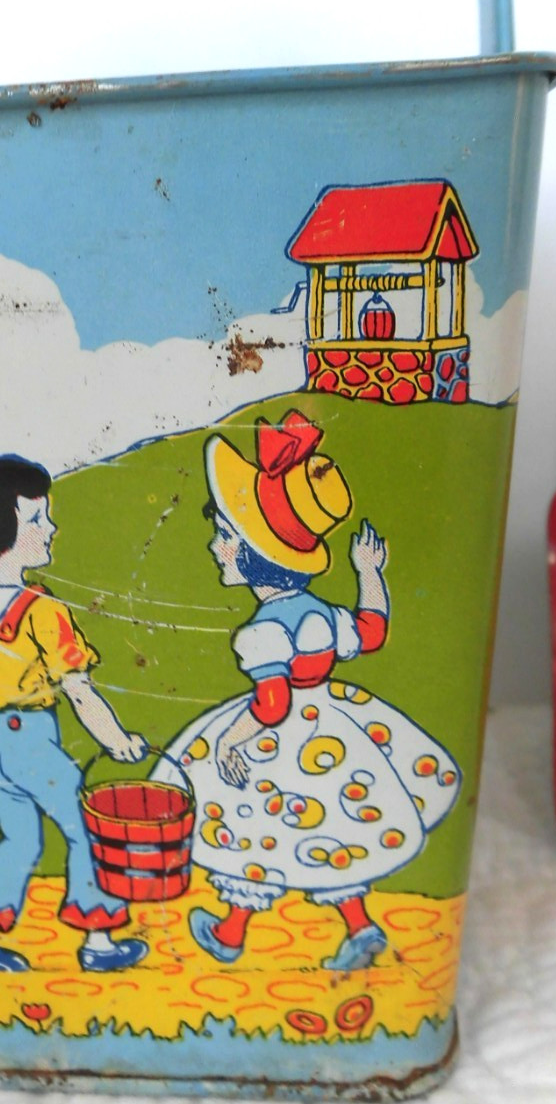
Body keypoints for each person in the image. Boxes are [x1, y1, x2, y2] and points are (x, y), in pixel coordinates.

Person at [153, 410, 461, 971]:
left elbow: (272, 706)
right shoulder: (322, 613)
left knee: (253, 832)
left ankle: (230, 931)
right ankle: (358, 927)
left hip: (282, 739)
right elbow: (372, 631)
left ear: (254, 555)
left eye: (225, 537)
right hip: (333, 726)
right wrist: (369, 573)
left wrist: (230, 742)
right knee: (332, 829)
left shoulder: (262, 633)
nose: (216, 548)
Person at [0, 454, 148, 974]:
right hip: (31, 744)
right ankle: (98, 942)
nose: (51, 528)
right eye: (37, 519)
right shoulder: (43, 611)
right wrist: (118, 742)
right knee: (85, 830)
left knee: (20, 838)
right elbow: (80, 693)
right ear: (0, 529)